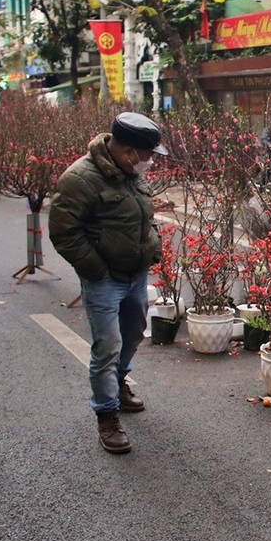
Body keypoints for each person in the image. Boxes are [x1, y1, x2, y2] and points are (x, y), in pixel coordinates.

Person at [49, 112, 167, 455]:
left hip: (136, 273)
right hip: (104, 279)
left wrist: (153, 245)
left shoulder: (129, 172)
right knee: (108, 346)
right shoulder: (80, 179)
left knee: (133, 333)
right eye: (147, 156)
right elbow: (64, 232)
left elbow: (146, 216)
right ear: (129, 151)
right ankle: (107, 415)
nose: (149, 163)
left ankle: (118, 383)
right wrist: (97, 270)